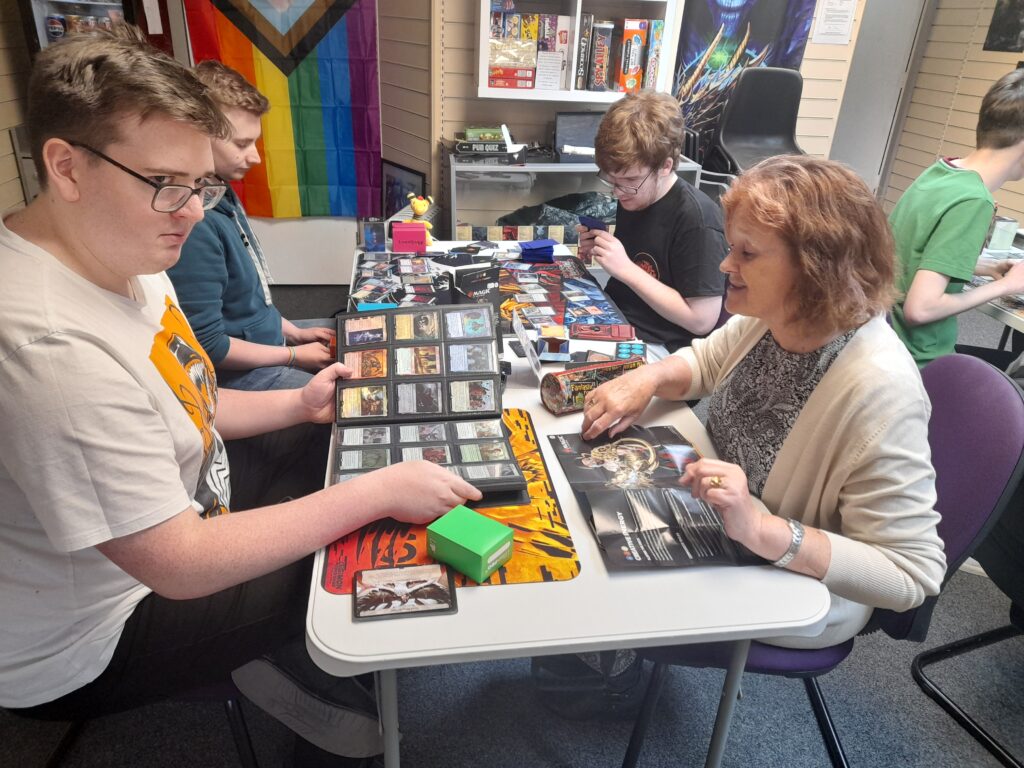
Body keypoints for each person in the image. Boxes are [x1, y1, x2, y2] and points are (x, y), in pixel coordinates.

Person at [0, 28, 480, 767]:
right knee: (359, 548)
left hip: (185, 505)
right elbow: (178, 564)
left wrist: (299, 406)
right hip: (99, 634)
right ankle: (324, 716)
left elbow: (188, 399)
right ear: (66, 167)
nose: (191, 212)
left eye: (203, 185)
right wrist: (378, 491)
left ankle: (299, 660)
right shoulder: (50, 348)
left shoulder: (125, 247)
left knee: (339, 443)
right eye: (166, 182)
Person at [582, 155, 947, 649]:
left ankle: (610, 669)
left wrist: (763, 529)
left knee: (599, 580)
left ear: (817, 270)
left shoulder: (880, 390)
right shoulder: (774, 315)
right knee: (585, 509)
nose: (725, 266)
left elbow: (910, 574)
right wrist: (646, 379)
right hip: (721, 510)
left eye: (748, 254)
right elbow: (706, 363)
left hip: (794, 580)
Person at [166, 60, 336, 391]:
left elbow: (251, 302)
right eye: (242, 144)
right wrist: (292, 355)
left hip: (271, 340)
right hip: (239, 376)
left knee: (354, 334)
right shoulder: (195, 228)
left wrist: (294, 333)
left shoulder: (221, 193)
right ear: (198, 137)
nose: (255, 157)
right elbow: (209, 346)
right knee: (339, 400)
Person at [577, 90, 727, 359]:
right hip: (618, 319)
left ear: (666, 166)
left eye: (630, 181)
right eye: (611, 180)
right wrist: (601, 247)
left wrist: (626, 269)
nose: (617, 193)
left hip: (663, 347)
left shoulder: (698, 221)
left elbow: (702, 320)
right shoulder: (637, 195)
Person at [891, 69, 1024, 367]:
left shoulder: (941, 172)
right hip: (920, 362)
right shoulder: (974, 200)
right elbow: (920, 309)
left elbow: (912, 256)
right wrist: (1008, 285)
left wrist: (988, 268)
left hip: (886, 344)